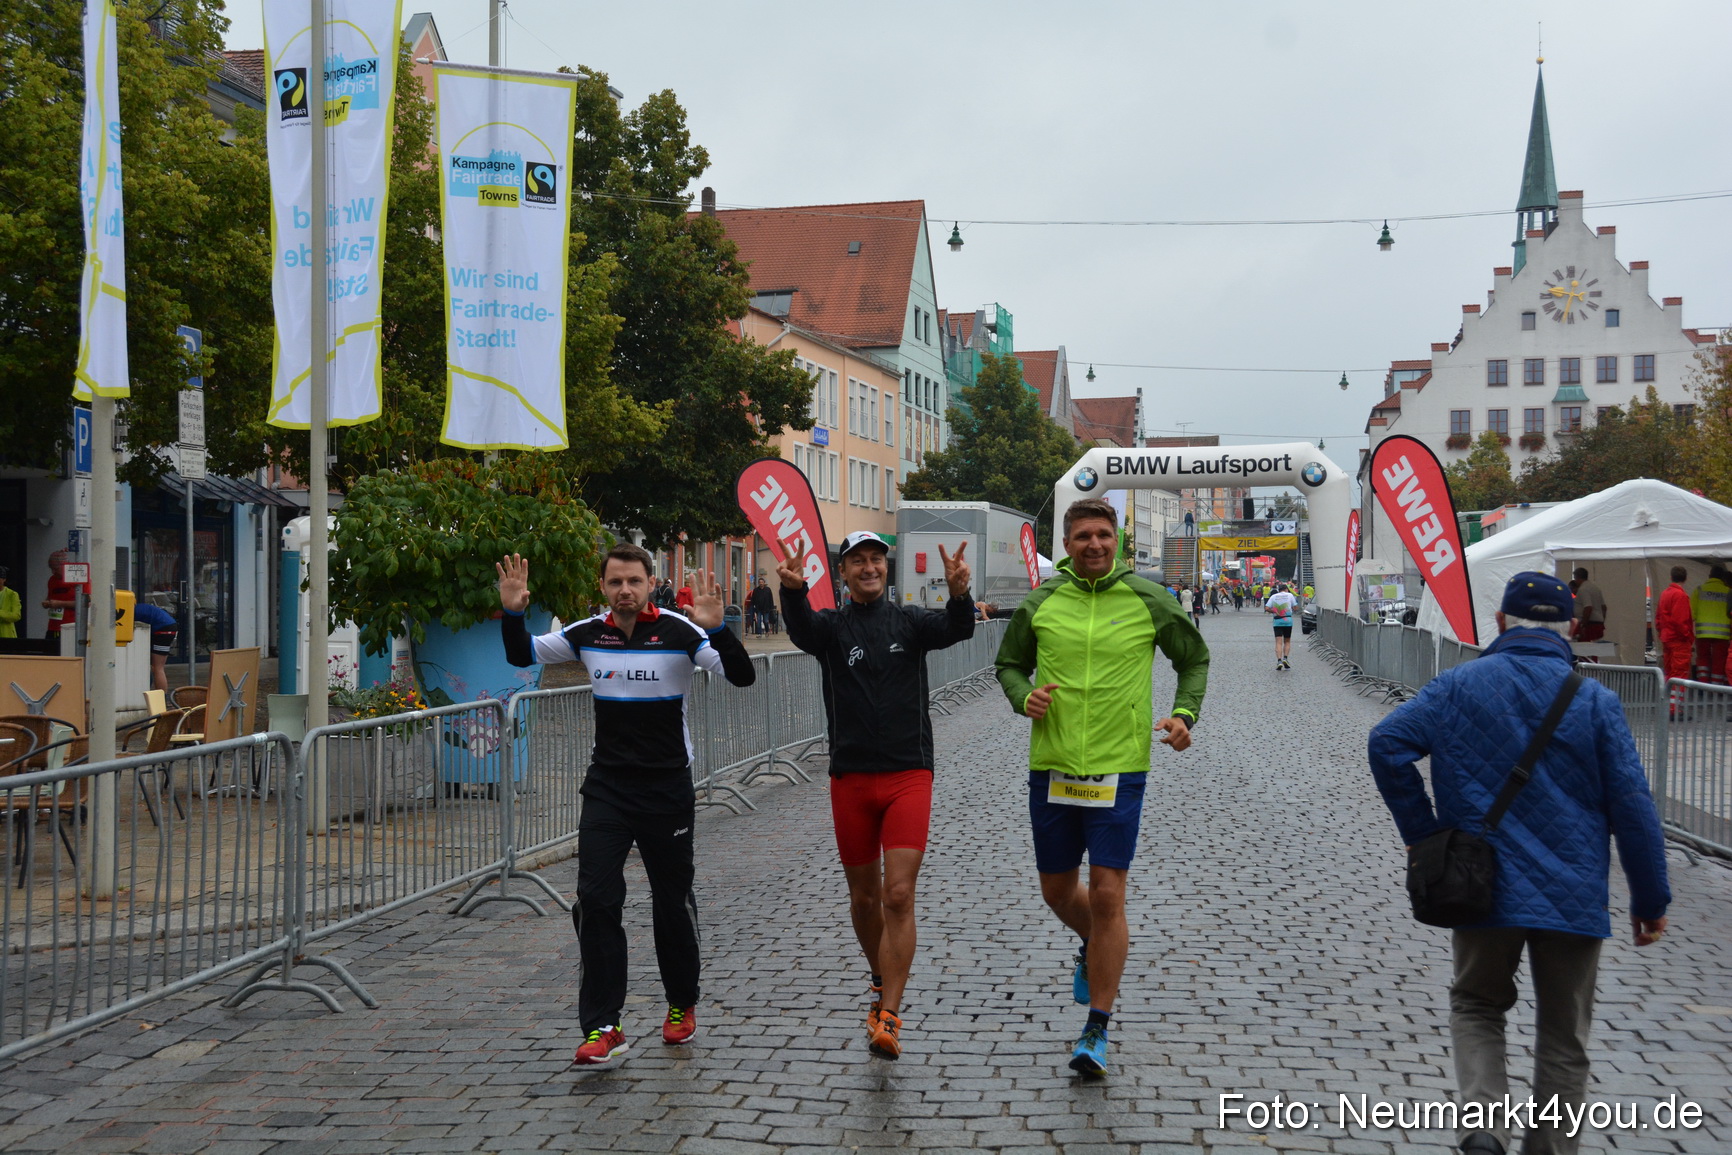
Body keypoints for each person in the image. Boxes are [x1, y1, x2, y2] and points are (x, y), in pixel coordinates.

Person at [1369, 571, 1670, 1155]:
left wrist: (1423, 834)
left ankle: (1484, 1131)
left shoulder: (1458, 685)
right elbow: (1633, 807)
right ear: (1574, 629)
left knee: (1477, 1004)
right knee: (1564, 1036)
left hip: (1479, 883)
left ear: (1501, 622)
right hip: (1574, 891)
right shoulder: (1596, 703)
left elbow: (1388, 743)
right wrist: (1650, 899)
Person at [497, 544, 755, 1067]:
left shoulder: (682, 632)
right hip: (608, 788)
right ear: (603, 587)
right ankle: (603, 1024)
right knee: (595, 900)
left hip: (666, 788)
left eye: (634, 581)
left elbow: (742, 676)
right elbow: (522, 654)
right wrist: (512, 611)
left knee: (670, 901)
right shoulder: (588, 633)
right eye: (615, 582)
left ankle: (681, 1003)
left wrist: (720, 627)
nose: (625, 591)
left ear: (651, 582)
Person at [995, 498, 1209, 1075]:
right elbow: (1009, 664)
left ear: (1118, 542)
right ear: (1067, 544)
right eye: (1084, 536)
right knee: (1059, 893)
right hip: (1055, 767)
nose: (1095, 545)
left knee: (1110, 894)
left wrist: (1185, 712)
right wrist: (1023, 697)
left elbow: (1194, 658)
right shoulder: (1041, 603)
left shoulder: (1147, 597)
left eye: (1105, 535)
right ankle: (1097, 947)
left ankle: (1096, 1029)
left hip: (1121, 766)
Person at [778, 530, 973, 1060]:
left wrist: (959, 594)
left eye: (876, 560)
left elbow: (957, 629)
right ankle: (877, 975)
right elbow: (799, 629)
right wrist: (793, 591)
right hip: (852, 779)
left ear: (886, 570)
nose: (869, 567)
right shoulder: (831, 629)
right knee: (864, 898)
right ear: (843, 573)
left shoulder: (910, 621)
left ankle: (890, 1011)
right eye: (857, 561)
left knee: (898, 895)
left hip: (910, 773)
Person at [1656, 566, 1694, 714]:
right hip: (1679, 640)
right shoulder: (1680, 596)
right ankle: (1675, 708)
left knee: (1669, 672)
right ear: (1685, 578)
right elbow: (1681, 621)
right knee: (1680, 673)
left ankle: (1667, 705)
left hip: (1667, 638)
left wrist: (1662, 632)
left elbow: (1658, 618)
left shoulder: (1665, 594)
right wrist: (1688, 637)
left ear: (1671, 577)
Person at [1690, 565, 1730, 686]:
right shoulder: (1729, 592)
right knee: (1719, 660)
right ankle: (1716, 688)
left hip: (1703, 633)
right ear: (1723, 578)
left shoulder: (1699, 590)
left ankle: (1703, 686)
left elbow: (1692, 613)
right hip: (1723, 635)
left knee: (1703, 658)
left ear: (1709, 576)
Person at [131, 602, 179, 694]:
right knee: (156, 667)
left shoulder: (129, 611)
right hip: (167, 626)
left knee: (158, 668)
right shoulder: (139, 608)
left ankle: (161, 698)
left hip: (163, 628)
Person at [42, 550, 78, 644]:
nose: (53, 572)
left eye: (56, 569)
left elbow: (85, 602)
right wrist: (47, 603)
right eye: (51, 569)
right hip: (53, 627)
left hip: (70, 627)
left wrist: (59, 604)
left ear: (65, 565)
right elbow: (50, 597)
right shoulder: (52, 580)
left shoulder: (77, 578)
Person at [1264, 581, 1299, 670]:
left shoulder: (1273, 596)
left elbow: (1267, 608)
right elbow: (1295, 607)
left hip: (1277, 621)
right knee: (1287, 641)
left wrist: (1275, 611)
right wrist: (1290, 608)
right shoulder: (1290, 595)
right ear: (1286, 589)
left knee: (1278, 642)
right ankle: (1285, 658)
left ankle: (1279, 660)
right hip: (1287, 620)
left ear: (1279, 590)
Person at [1569, 567, 1606, 643]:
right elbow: (1604, 607)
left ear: (1577, 577)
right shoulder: (1595, 588)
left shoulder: (1583, 589)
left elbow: (1588, 608)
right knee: (1593, 650)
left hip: (1589, 625)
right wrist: (1602, 621)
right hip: (1598, 624)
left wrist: (1583, 625)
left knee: (1584, 650)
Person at [0, 566, 20, 639]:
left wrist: (1, 613)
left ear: (4, 579)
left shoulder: (12, 595)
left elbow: (16, 615)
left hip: (6, 635)